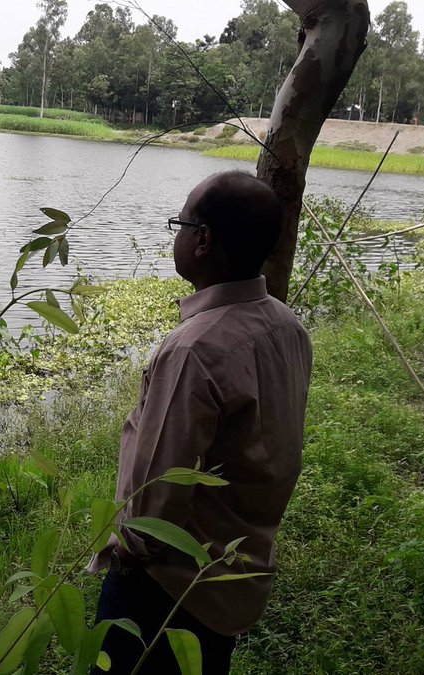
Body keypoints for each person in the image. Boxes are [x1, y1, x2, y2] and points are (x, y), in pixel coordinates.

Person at [89, 171, 313, 674]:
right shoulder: (286, 324)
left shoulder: (196, 349)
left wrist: (123, 560)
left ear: (203, 240)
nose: (178, 236)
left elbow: (156, 498)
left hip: (167, 589)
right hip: (234, 574)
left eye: (180, 223)